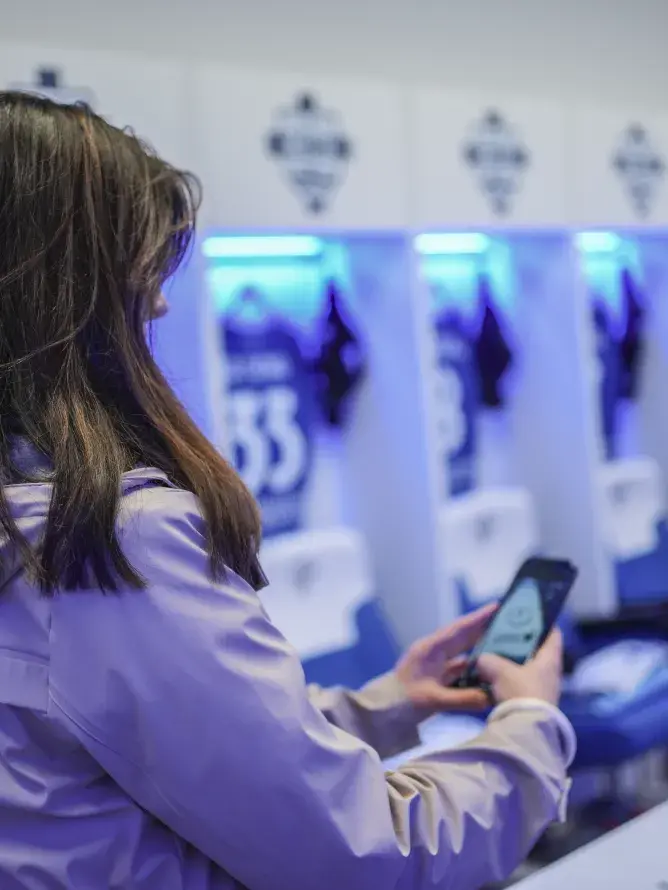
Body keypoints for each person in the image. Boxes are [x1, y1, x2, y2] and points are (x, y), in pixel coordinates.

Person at [0, 91, 575, 890]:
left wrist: (383, 707)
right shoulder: (106, 540)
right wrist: (531, 728)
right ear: (66, 287)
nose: (162, 301)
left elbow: (122, 755)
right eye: (141, 271)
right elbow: (365, 856)